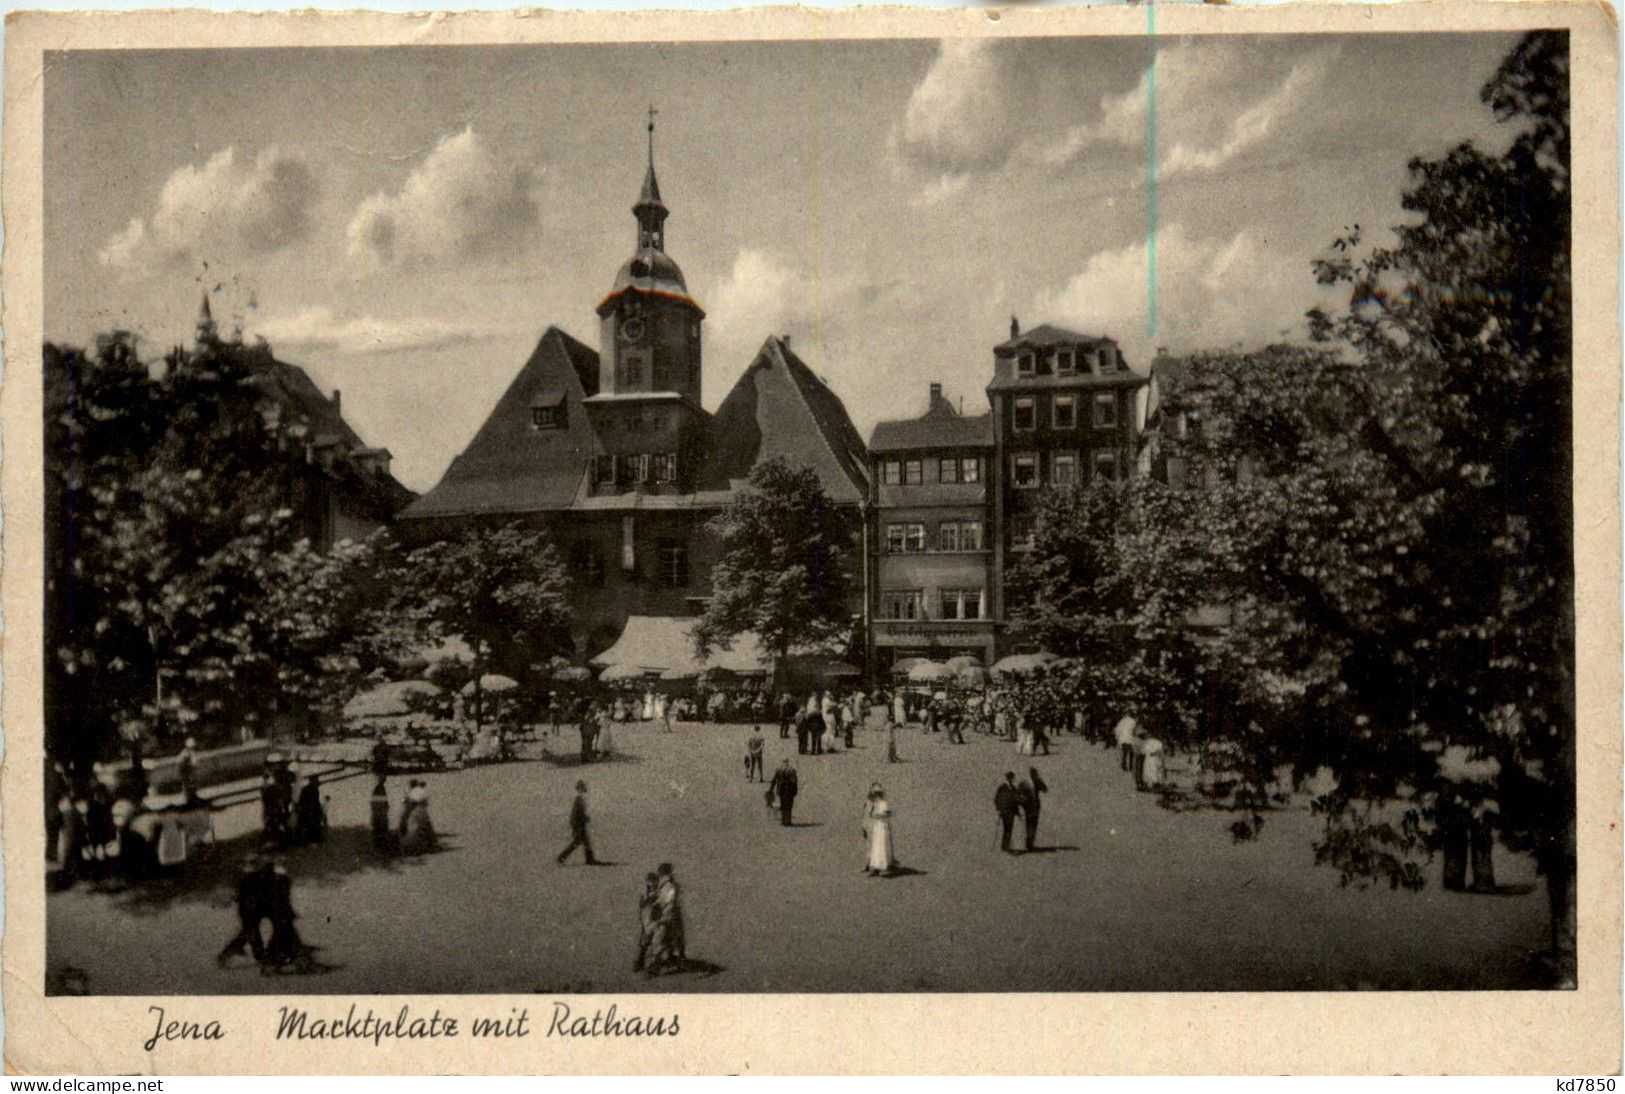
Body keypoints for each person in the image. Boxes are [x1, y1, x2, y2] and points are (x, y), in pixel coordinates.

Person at [217, 855, 272, 966]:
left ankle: (232, 952)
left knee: (250, 932)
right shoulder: (251, 876)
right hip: (250, 909)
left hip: (250, 908)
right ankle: (257, 955)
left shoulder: (250, 876)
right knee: (250, 932)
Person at [557, 780, 598, 864]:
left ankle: (589, 859)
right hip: (579, 824)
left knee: (584, 841)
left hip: (578, 823)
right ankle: (561, 857)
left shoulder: (579, 798)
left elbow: (577, 813)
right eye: (583, 787)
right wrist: (585, 818)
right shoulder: (579, 798)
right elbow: (578, 813)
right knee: (578, 841)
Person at [655, 863, 685, 968]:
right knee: (674, 937)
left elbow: (669, 902)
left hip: (670, 915)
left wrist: (663, 914)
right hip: (671, 914)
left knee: (667, 938)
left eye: (660, 872)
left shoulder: (669, 885)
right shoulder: (667, 884)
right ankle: (673, 958)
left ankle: (657, 965)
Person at [863, 783, 896, 877]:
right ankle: (876, 866)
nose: (874, 797)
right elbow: (869, 814)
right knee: (876, 846)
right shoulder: (875, 804)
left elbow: (888, 813)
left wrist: (879, 816)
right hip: (877, 827)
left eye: (876, 795)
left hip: (882, 827)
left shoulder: (884, 803)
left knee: (882, 845)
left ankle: (882, 865)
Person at [634, 872, 663, 973]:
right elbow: (642, 904)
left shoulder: (658, 892)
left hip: (654, 920)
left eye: (655, 882)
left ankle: (651, 964)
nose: (653, 884)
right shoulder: (646, 893)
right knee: (646, 941)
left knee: (654, 941)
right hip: (647, 919)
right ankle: (641, 962)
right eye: (651, 882)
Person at [398, 779, 437, 854]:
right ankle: (430, 842)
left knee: (407, 824)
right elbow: (425, 802)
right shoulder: (419, 792)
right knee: (426, 825)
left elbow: (405, 801)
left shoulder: (410, 793)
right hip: (420, 812)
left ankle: (407, 844)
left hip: (414, 812)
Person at [1021, 767, 1049, 851]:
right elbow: (1020, 792)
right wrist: (1023, 800)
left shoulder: (1038, 782)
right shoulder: (1026, 783)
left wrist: (1040, 781)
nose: (1033, 775)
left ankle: (1031, 842)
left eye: (1035, 773)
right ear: (1030, 774)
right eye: (1032, 773)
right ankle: (1028, 842)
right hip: (1028, 806)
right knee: (1028, 823)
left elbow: (1045, 789)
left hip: (1036, 806)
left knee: (1034, 824)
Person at [294, 775, 326, 846]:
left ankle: (311, 839)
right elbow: (304, 801)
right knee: (311, 825)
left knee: (312, 825)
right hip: (309, 810)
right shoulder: (310, 790)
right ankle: (310, 839)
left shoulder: (312, 789)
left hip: (310, 810)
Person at [995, 772, 1020, 853]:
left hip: (1011, 812)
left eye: (1011, 777)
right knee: (1006, 828)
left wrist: (1017, 811)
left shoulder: (1014, 788)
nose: (1011, 779)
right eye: (1009, 777)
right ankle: (1005, 845)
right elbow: (997, 799)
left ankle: (1006, 845)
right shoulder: (1002, 787)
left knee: (1009, 828)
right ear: (1007, 778)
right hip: (1005, 811)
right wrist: (999, 808)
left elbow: (1016, 801)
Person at [768, 758, 799, 827]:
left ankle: (783, 820)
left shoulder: (778, 769)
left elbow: (774, 780)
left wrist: (771, 789)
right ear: (788, 762)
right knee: (789, 805)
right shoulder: (792, 770)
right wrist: (795, 790)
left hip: (781, 789)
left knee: (783, 804)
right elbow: (794, 781)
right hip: (789, 790)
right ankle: (788, 820)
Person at [369, 777, 396, 854]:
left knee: (378, 830)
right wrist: (385, 807)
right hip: (380, 813)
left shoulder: (379, 788)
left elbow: (375, 802)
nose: (383, 781)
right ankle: (380, 848)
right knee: (381, 829)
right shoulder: (379, 788)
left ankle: (378, 847)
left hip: (378, 813)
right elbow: (379, 801)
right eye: (383, 780)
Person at [177, 738, 200, 803]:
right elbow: (181, 763)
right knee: (187, 785)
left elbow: (194, 762)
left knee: (192, 784)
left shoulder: (191, 752)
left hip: (190, 771)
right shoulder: (185, 753)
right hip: (187, 771)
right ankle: (188, 799)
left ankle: (193, 796)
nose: (193, 748)